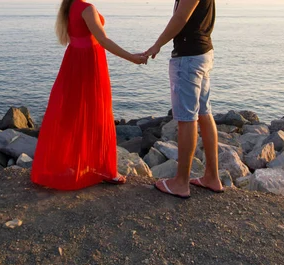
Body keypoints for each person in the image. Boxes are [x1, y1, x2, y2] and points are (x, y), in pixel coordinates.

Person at [31, 0, 147, 191]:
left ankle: (72, 164)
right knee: (97, 114)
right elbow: (103, 40)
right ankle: (107, 171)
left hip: (74, 62)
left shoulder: (68, 7)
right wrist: (132, 58)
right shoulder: (87, 8)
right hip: (89, 63)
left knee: (73, 114)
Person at [144, 0, 222, 199]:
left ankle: (181, 182)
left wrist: (156, 45)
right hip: (203, 52)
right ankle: (211, 177)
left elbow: (180, 17)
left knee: (187, 118)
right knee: (204, 113)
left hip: (188, 57)